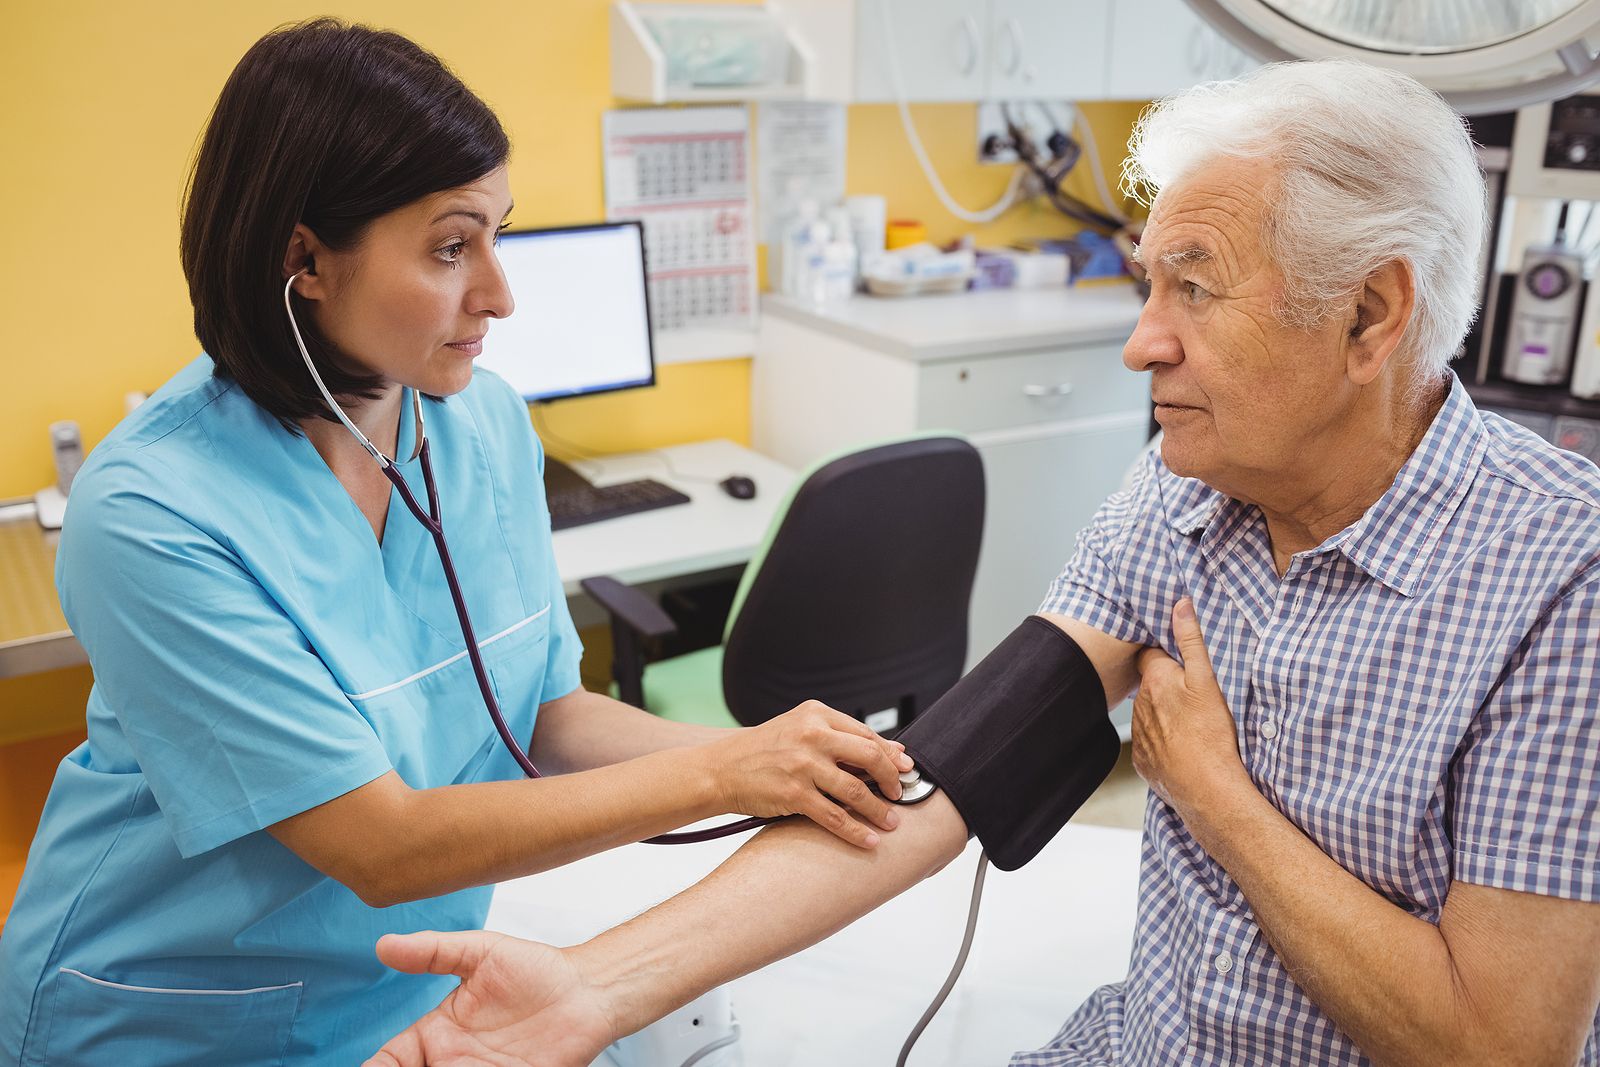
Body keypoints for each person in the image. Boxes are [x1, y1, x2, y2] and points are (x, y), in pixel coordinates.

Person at [368, 59, 1600, 1067]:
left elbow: (1497, 1044)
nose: (1141, 343)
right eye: (1145, 282)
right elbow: (941, 784)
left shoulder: (1562, 580)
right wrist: (595, 983)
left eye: (1194, 288)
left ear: (1369, 318)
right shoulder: (1186, 494)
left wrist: (1219, 803)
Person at [0, 19, 914, 1065]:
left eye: (497, 233)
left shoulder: (481, 423)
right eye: (450, 246)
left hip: (415, 988)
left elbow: (550, 714)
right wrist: (730, 775)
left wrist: (805, 763)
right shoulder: (152, 512)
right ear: (304, 257)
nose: (501, 292)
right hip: (171, 1015)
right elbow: (381, 844)